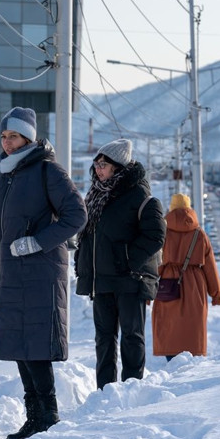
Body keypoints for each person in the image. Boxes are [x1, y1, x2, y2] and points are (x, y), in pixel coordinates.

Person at [0, 107, 87, 439]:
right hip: (9, 276)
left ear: (27, 136)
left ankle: (48, 416)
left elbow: (77, 215)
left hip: (39, 275)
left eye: (12, 136)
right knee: (20, 348)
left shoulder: (47, 171)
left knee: (35, 347)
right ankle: (34, 417)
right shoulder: (2, 175)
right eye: (3, 137)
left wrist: (36, 243)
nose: (6, 143)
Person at [74, 139, 166, 390]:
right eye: (96, 165)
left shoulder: (138, 195)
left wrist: (126, 260)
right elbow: (88, 236)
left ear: (118, 167)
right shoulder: (95, 196)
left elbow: (156, 236)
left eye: (103, 164)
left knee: (131, 337)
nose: (98, 169)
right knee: (103, 339)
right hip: (101, 279)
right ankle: (105, 391)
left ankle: (132, 388)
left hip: (130, 280)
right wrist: (81, 262)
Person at [151, 193, 220, 361]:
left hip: (168, 285)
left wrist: (147, 291)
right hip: (195, 286)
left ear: (171, 209)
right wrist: (216, 294)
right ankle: (192, 367)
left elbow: (156, 264)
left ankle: (172, 362)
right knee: (192, 329)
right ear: (190, 209)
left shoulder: (162, 233)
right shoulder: (200, 235)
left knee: (169, 329)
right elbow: (210, 267)